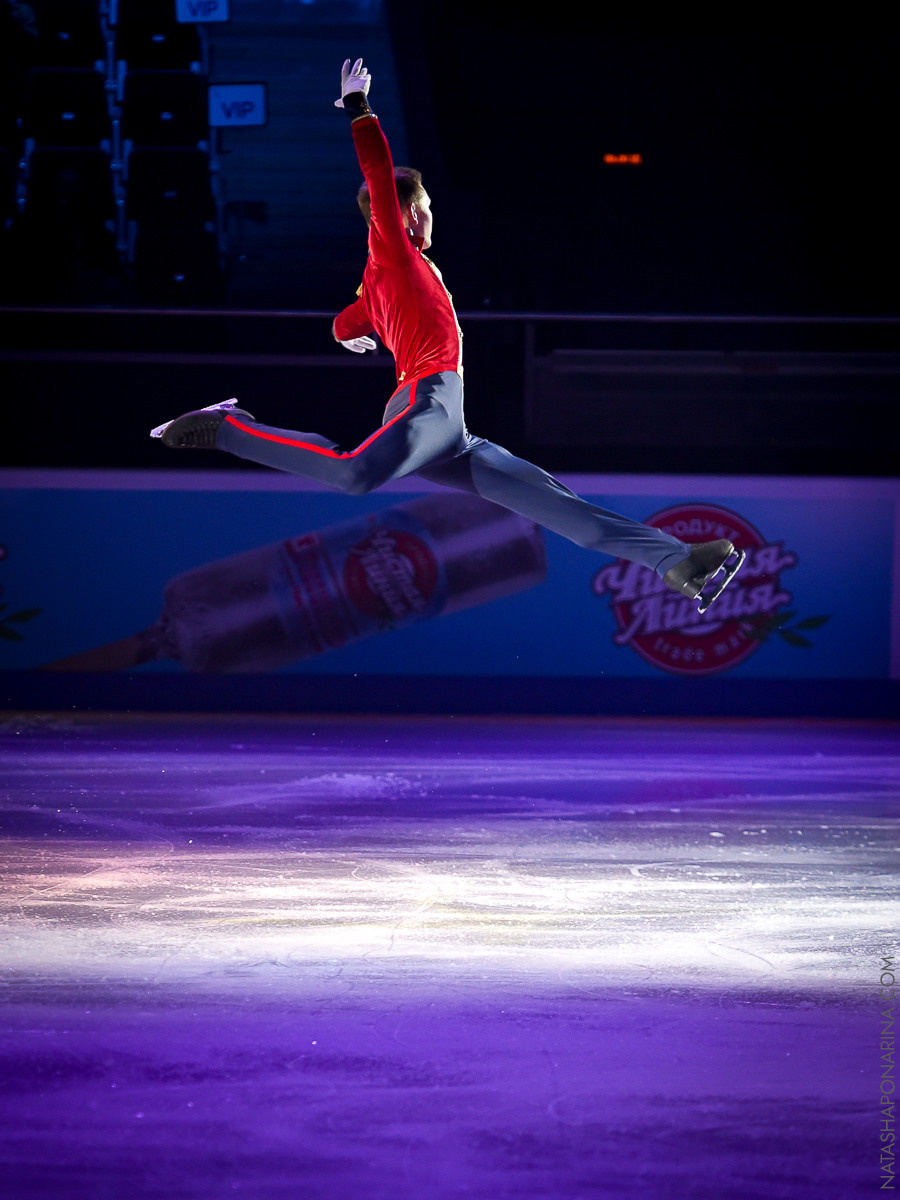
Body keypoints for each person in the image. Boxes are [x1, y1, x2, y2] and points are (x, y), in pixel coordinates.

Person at [152, 58, 744, 613]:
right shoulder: (395, 254)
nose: (433, 217)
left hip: (449, 428)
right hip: (426, 402)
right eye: (428, 207)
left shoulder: (381, 279)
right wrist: (359, 108)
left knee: (564, 512)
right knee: (355, 474)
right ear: (409, 214)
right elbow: (379, 178)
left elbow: (350, 319)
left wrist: (346, 331)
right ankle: (231, 427)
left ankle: (676, 560)